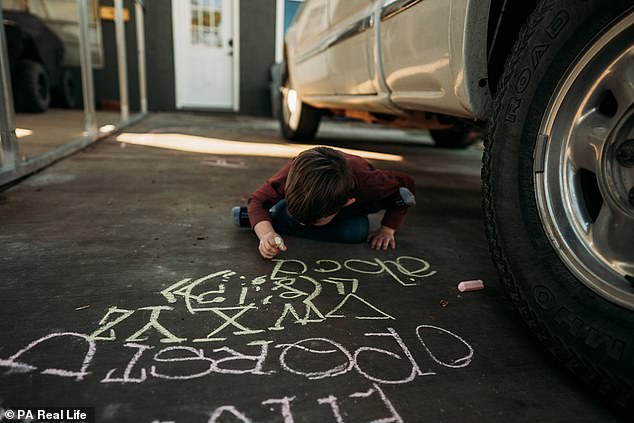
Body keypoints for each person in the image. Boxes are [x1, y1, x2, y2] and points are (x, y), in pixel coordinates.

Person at [232, 146, 415, 259]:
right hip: (318, 201)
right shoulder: (293, 172)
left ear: (346, 203)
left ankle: (267, 219)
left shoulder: (373, 183)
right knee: (285, 214)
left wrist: (387, 228)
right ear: (288, 189)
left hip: (358, 202)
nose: (306, 225)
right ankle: (271, 219)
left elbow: (405, 189)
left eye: (315, 221)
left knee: (355, 232)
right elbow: (258, 200)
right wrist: (265, 235)